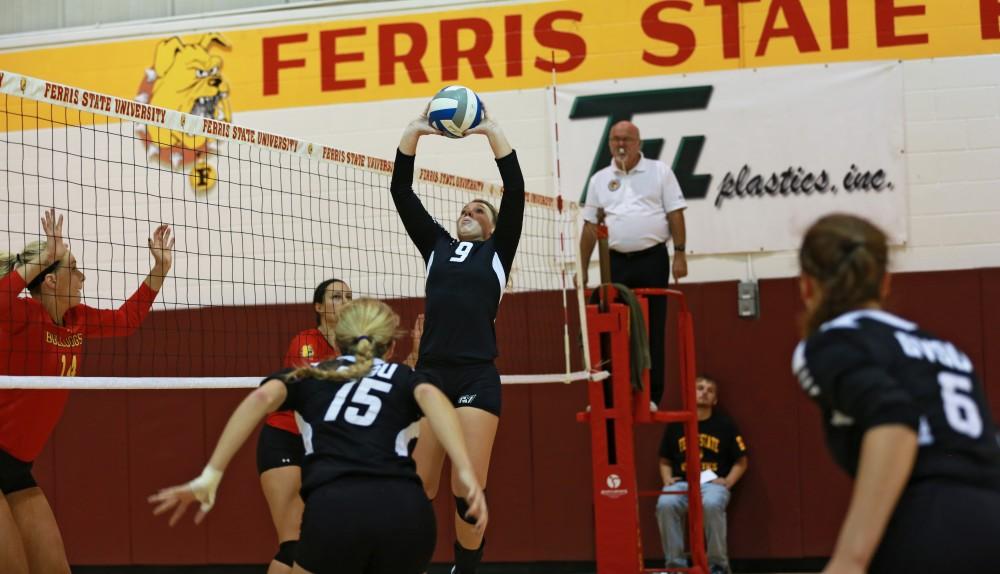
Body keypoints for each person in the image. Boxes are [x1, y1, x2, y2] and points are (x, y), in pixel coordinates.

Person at [149, 298, 487, 574]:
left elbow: (261, 399)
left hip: (336, 510)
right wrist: (466, 471)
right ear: (390, 345)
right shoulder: (402, 376)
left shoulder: (309, 375)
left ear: (338, 339)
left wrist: (211, 473)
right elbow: (432, 398)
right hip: (406, 512)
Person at [792, 213, 1000, 574]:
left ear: (807, 286)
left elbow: (894, 418)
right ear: (885, 283)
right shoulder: (943, 348)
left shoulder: (831, 342)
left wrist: (849, 560)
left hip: (929, 526)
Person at [0, 208, 174, 574]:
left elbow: (127, 322)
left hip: (17, 466)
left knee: (54, 568)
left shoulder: (78, 321)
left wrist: (159, 271)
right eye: (73, 268)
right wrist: (46, 258)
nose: (82, 277)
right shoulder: (23, 316)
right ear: (49, 281)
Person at [390, 104, 523, 574]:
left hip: (474, 375)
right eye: (464, 209)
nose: (469, 212)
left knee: (466, 488)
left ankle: (466, 568)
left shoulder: (496, 256)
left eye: (478, 210)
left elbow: (516, 191)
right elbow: (401, 191)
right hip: (430, 376)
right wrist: (413, 134)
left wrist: (491, 129)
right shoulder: (437, 249)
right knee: (419, 487)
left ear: (490, 227)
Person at [579, 120, 687, 407]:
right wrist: (581, 268)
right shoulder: (599, 179)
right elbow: (590, 226)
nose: (620, 144)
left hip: (652, 258)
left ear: (639, 143)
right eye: (615, 139)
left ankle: (651, 395)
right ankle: (610, 394)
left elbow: (676, 213)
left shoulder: (659, 172)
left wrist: (680, 253)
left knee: (653, 327)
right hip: (614, 262)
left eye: (626, 139)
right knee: (610, 324)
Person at [256, 278, 352, 574]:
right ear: (319, 307)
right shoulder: (305, 342)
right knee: (294, 545)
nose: (346, 301)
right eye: (336, 297)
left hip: (319, 448)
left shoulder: (355, 348)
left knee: (319, 543)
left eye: (349, 296)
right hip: (284, 440)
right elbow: (310, 392)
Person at [655, 376, 748, 574]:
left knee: (712, 504)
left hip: (712, 484)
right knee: (665, 504)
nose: (704, 392)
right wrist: (667, 480)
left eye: (710, 390)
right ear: (690, 393)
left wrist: (728, 482)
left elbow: (742, 461)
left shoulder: (725, 425)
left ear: (715, 400)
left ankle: (717, 565)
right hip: (682, 482)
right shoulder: (676, 424)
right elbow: (664, 459)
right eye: (699, 388)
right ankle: (675, 567)